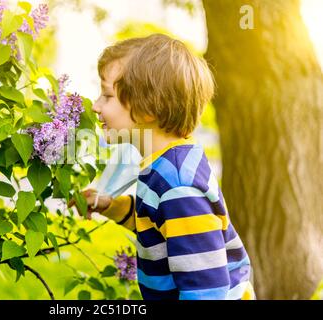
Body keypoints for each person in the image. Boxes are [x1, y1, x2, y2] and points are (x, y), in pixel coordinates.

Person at [70, 33, 255, 300]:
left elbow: (206, 292)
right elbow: (159, 225)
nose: (96, 106)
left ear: (148, 108)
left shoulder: (179, 187)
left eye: (107, 96)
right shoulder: (164, 166)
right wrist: (111, 206)